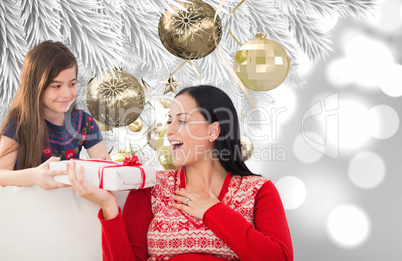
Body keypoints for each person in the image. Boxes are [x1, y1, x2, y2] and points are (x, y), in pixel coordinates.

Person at [67, 85, 293, 260]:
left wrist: (214, 211)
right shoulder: (151, 186)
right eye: (169, 121)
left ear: (214, 130)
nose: (170, 131)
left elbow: (279, 258)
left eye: (182, 121)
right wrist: (108, 206)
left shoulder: (258, 190)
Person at [0, 41, 110, 189]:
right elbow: (2, 175)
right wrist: (34, 176)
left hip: (69, 207)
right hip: (28, 208)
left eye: (72, 84)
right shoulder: (19, 122)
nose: (66, 94)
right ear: (36, 86)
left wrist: (103, 169)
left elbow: (107, 168)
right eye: (56, 86)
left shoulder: (83, 122)